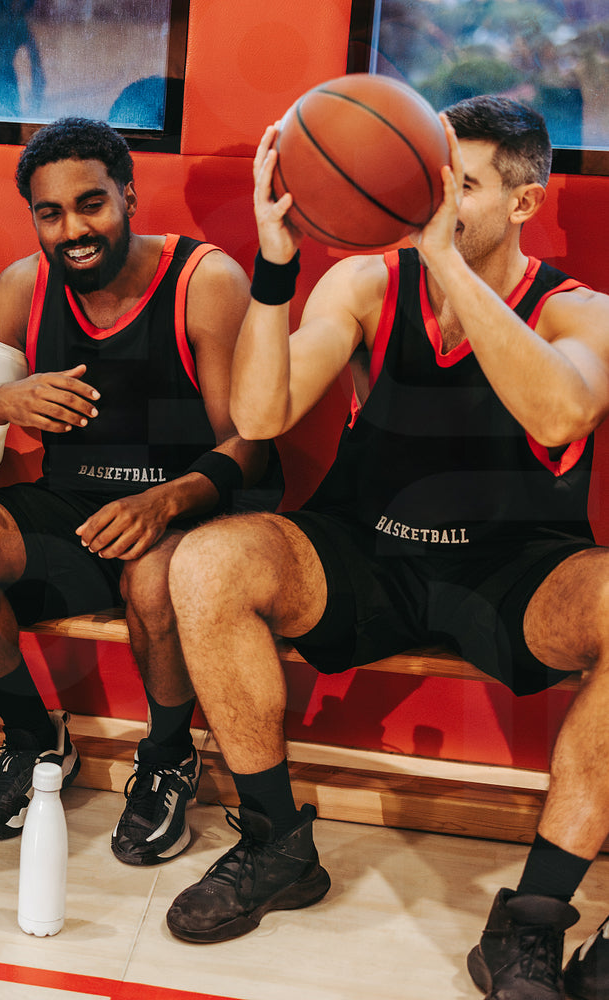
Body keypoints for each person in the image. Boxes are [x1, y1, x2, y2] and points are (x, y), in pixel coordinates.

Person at [164, 95, 609, 1000]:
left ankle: (531, 920)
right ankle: (276, 844)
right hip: (370, 553)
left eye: (463, 187)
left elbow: (561, 413)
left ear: (524, 201)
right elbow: (260, 415)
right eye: (432, 181)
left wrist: (445, 261)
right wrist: (278, 266)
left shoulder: (581, 311)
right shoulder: (367, 283)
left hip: (517, 571)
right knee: (207, 560)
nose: (435, 202)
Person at [0, 117, 275, 859]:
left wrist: (167, 500)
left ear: (129, 197)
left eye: (92, 204)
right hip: (75, 511)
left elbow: (251, 444)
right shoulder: (21, 290)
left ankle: (169, 758)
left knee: (154, 576)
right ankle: (33, 740)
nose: (73, 230)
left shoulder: (204, 281)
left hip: (188, 510)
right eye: (50, 213)